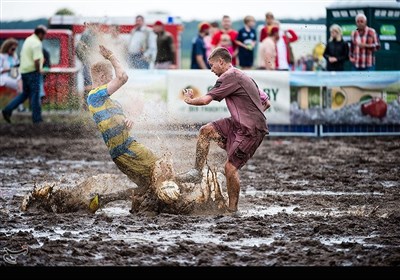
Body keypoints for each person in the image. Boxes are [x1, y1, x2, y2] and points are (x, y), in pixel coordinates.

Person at [177, 47, 270, 213]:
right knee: (206, 131)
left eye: (212, 65)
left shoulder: (229, 76)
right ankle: (197, 172)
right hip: (238, 123)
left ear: (221, 62)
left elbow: (205, 101)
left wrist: (189, 100)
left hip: (250, 130)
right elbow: (266, 102)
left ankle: (232, 210)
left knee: (230, 168)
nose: (211, 69)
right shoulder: (241, 74)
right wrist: (252, 114)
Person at [2, 25, 47, 124]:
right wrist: (39, 70)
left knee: (24, 94)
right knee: (35, 96)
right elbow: (36, 60)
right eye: (44, 35)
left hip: (24, 72)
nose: (45, 37)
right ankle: (37, 119)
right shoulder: (36, 43)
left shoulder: (28, 40)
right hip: (33, 72)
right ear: (40, 34)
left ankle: (7, 110)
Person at [0, 38, 23, 111]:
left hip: (14, 76)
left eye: (15, 49)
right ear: (7, 47)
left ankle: (18, 106)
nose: (14, 51)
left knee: (21, 85)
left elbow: (16, 68)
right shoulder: (1, 56)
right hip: (4, 77)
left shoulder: (14, 56)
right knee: (20, 86)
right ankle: (19, 107)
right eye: (12, 49)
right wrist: (10, 69)